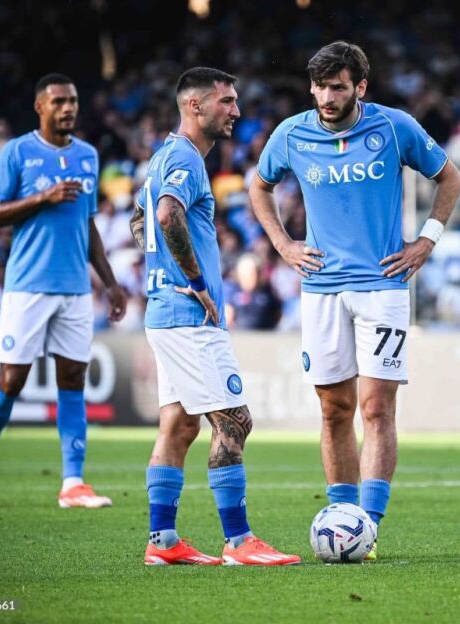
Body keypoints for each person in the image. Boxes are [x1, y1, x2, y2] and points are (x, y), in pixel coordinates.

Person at [249, 41, 460, 560]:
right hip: (321, 288)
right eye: (319, 87)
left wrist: (427, 240)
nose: (327, 97)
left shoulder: (394, 127)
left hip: (383, 286)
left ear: (360, 87)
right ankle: (341, 516)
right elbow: (260, 188)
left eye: (338, 87)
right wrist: (283, 245)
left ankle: (367, 527)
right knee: (333, 410)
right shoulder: (291, 134)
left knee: (376, 407)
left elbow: (449, 178)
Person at [131, 67, 299, 566]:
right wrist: (196, 281)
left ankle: (163, 542)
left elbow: (141, 221)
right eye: (226, 101)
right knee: (234, 421)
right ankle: (239, 540)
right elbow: (165, 215)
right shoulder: (184, 157)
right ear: (195, 105)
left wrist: (161, 268)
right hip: (188, 315)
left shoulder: (163, 156)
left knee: (179, 425)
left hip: (163, 309)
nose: (236, 111)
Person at [0, 73, 127, 508]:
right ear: (40, 107)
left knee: (72, 380)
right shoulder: (17, 152)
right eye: (59, 102)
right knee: (12, 380)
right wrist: (43, 198)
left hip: (75, 288)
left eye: (73, 101)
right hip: (27, 286)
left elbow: (88, 225)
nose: (68, 108)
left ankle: (73, 483)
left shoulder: (88, 155)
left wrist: (110, 283)